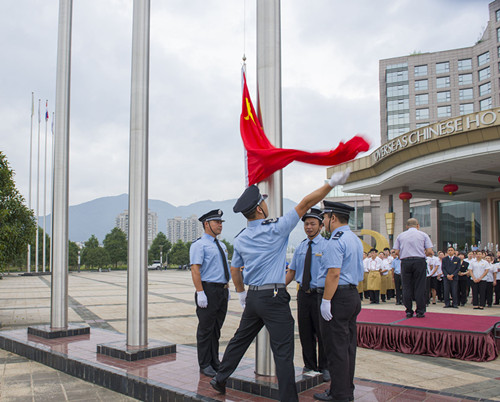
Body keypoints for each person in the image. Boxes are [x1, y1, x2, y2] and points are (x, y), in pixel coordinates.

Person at [210, 170, 350, 401]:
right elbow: (306, 203)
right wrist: (330, 184)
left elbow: (235, 270)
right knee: (283, 352)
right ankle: (288, 398)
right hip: (274, 297)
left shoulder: (242, 238)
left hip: (254, 298)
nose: (266, 205)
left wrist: (241, 294)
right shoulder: (276, 227)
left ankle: (219, 379)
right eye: (263, 202)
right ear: (259, 209)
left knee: (239, 340)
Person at [313, 201, 363, 402]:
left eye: (324, 217)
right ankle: (344, 389)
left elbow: (333, 273)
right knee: (348, 347)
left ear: (332, 217)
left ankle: (340, 394)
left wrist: (326, 300)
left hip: (337, 297)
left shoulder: (336, 240)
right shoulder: (354, 239)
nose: (323, 221)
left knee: (336, 349)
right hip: (351, 295)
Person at [285, 208, 330, 381]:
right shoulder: (301, 247)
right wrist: (279, 287)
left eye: (312, 224)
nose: (309, 227)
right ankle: (309, 364)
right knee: (305, 331)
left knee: (322, 332)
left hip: (320, 294)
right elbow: (292, 271)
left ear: (320, 226)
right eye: (306, 224)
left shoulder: (327, 245)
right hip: (303, 294)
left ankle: (324, 366)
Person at [189, 209, 230, 377]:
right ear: (206, 224)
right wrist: (200, 292)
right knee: (206, 329)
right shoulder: (199, 245)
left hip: (222, 290)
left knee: (216, 329)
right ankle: (204, 363)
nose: (220, 225)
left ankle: (214, 360)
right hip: (208, 290)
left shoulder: (221, 245)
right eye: (217, 222)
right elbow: (195, 269)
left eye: (221, 222)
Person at [393, 218, 433, 318]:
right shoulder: (423, 235)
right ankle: (420, 310)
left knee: (406, 286)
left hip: (405, 261)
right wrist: (421, 253)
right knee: (420, 286)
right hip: (419, 261)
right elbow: (429, 251)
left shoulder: (401, 235)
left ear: (406, 226)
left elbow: (396, 252)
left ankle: (408, 310)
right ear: (418, 225)